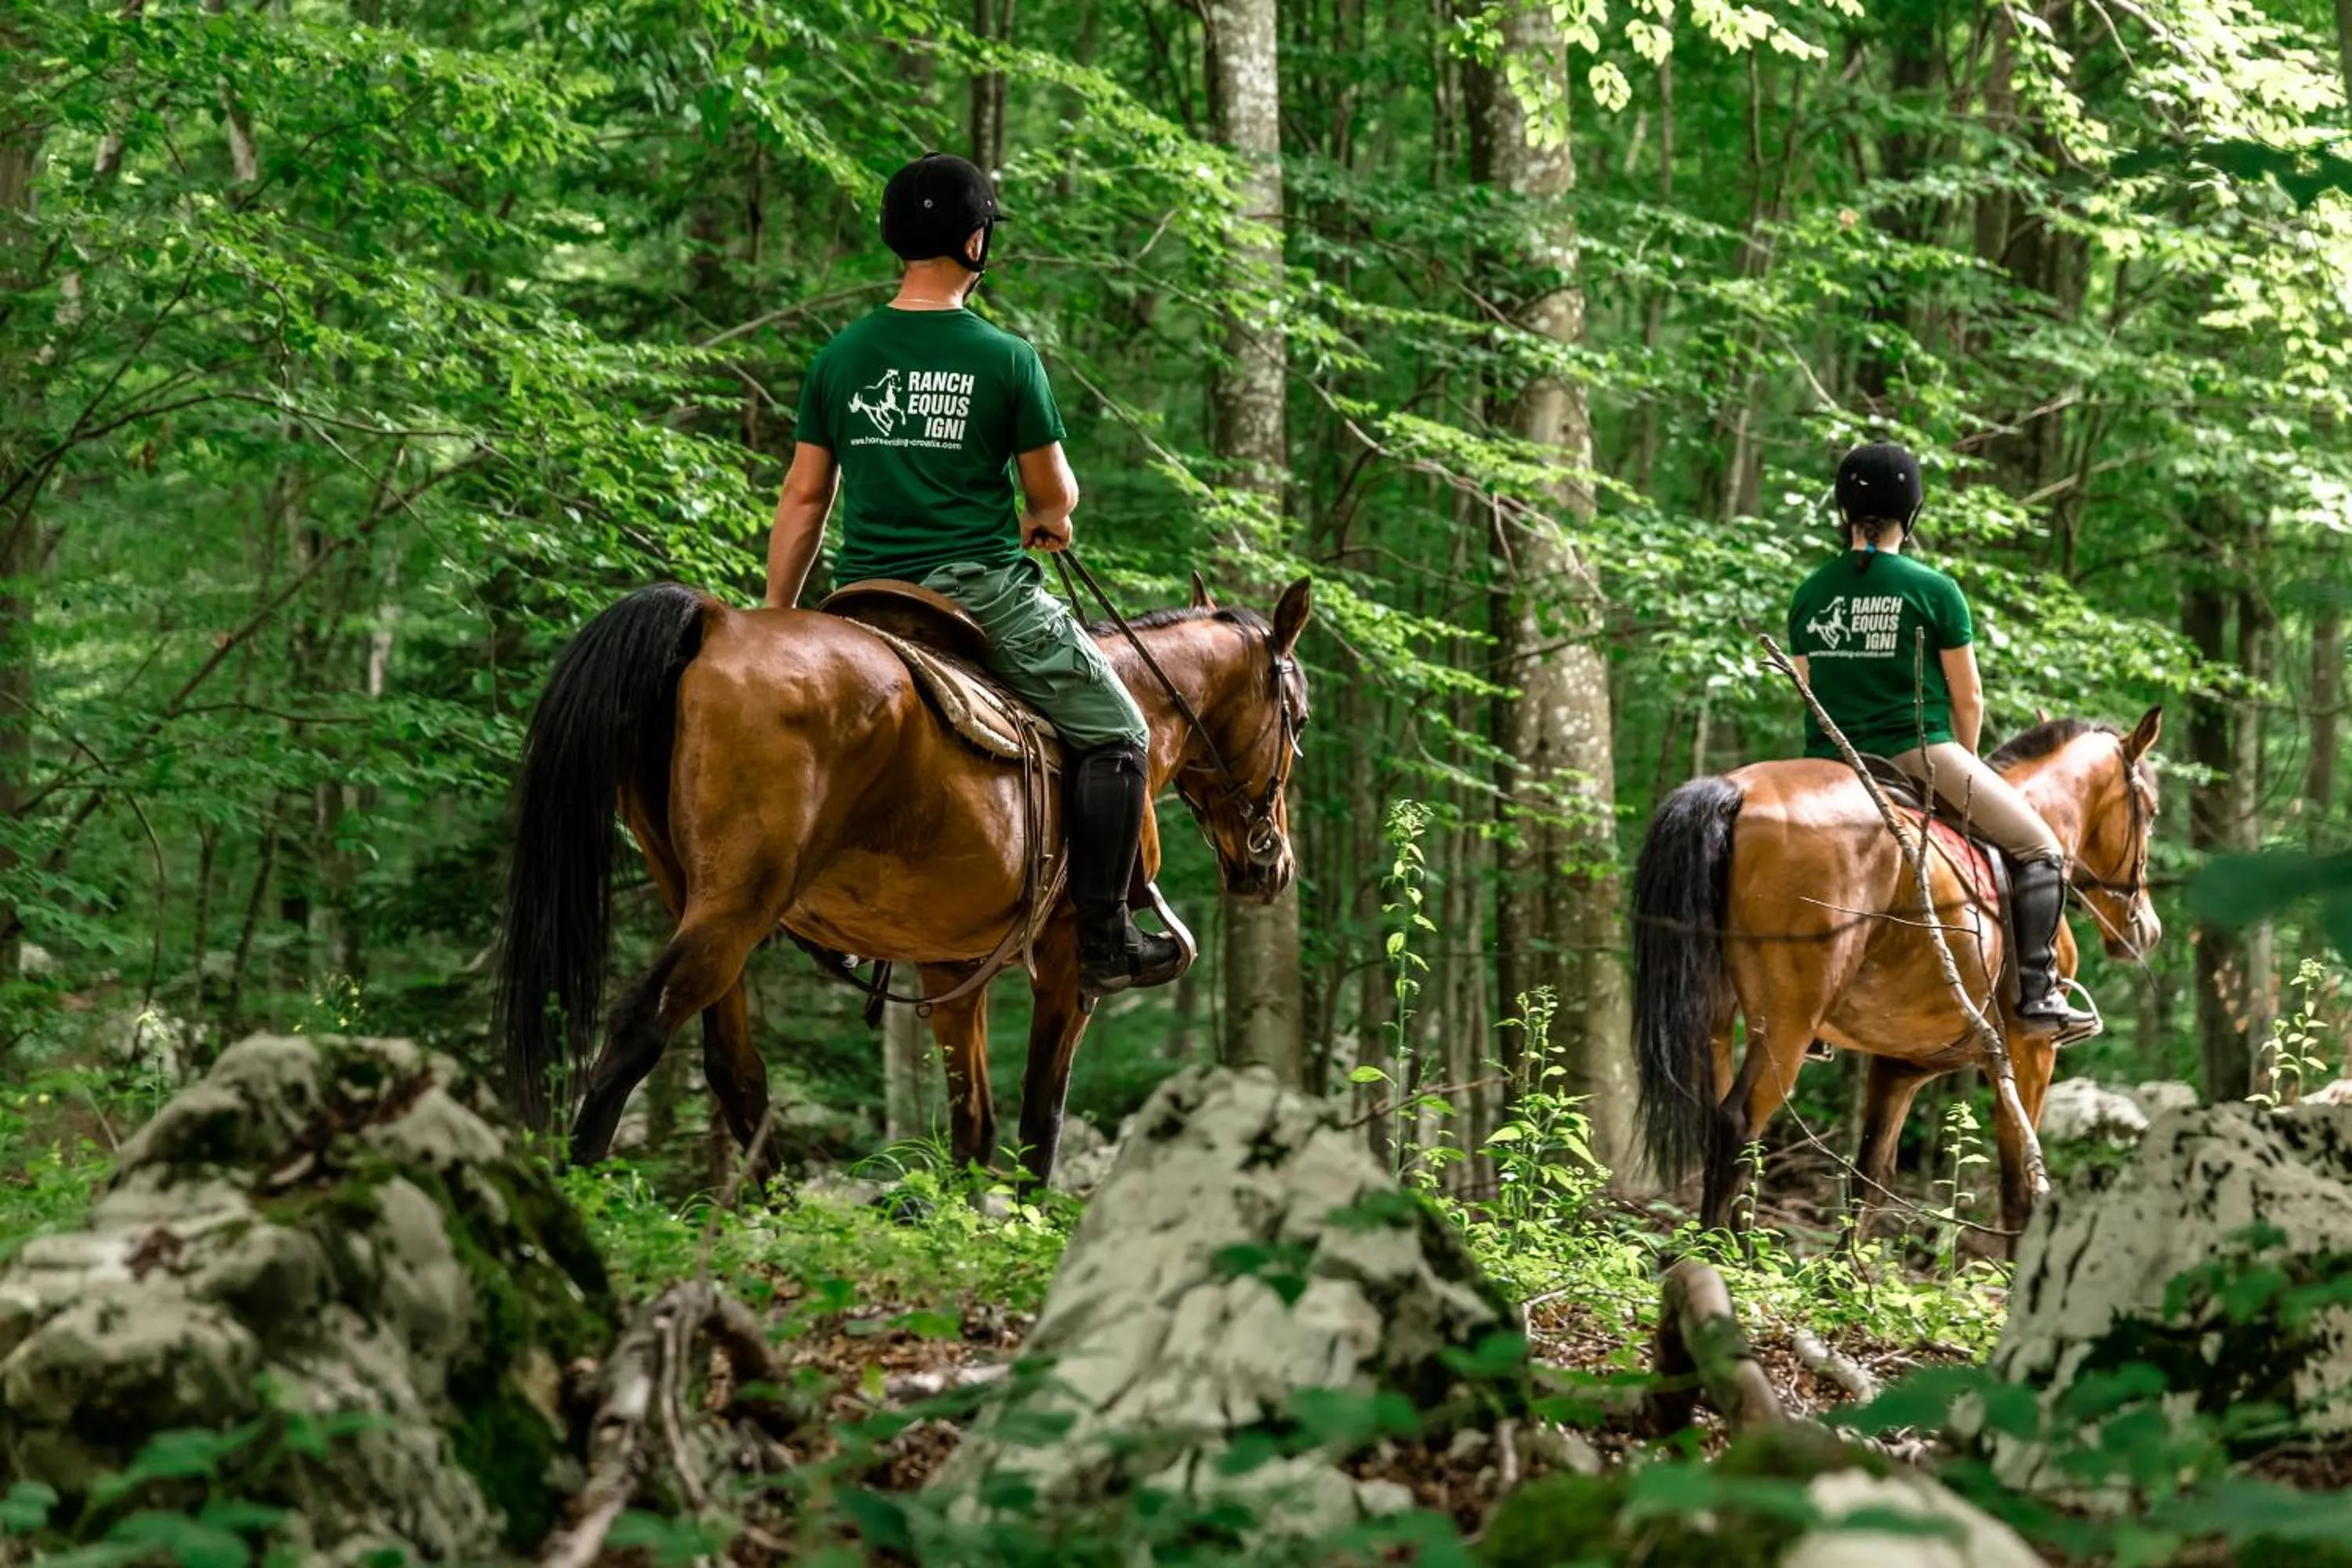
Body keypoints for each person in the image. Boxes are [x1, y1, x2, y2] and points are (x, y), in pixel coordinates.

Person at [764, 152, 1183, 999]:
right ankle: (1104, 932)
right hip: (978, 593)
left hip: (863, 600)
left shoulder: (841, 356)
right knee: (1119, 729)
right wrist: (1049, 521)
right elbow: (1054, 494)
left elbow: (806, 499)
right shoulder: (1005, 358)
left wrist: (779, 613)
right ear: (973, 240)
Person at [1786, 441, 2097, 1036]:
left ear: (1844, 510)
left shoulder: (1811, 592)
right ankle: (2037, 996)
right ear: (1914, 509)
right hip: (1915, 752)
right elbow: (1969, 698)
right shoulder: (1934, 590)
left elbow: (1806, 689)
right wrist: (1967, 762)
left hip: (1829, 766)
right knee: (2040, 850)